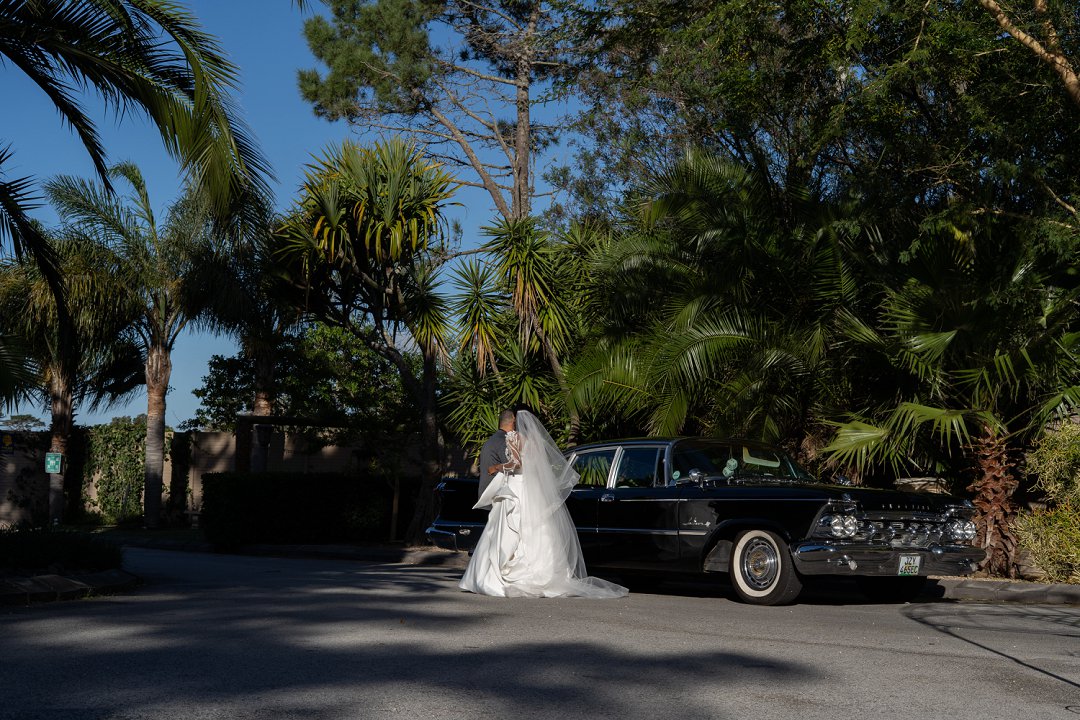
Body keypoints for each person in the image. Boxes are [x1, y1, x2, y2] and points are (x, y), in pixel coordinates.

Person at [459, 409, 628, 598]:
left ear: (515, 421)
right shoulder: (534, 442)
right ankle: (546, 572)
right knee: (537, 527)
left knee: (510, 526)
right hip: (532, 489)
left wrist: (496, 467)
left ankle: (501, 572)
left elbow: (516, 464)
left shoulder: (513, 437)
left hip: (517, 486)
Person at [477, 409, 516, 501]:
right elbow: (511, 467)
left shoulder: (490, 440)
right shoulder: (504, 441)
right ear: (513, 421)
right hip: (496, 497)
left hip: (485, 494)